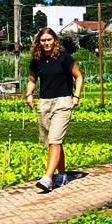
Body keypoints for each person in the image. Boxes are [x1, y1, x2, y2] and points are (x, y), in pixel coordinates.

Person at [26, 27, 83, 192]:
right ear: (39, 42)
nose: (46, 43)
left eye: (49, 40)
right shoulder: (36, 60)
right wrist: (29, 94)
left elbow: (78, 77)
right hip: (44, 103)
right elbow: (32, 80)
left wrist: (76, 96)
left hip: (62, 102)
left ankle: (48, 178)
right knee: (53, 142)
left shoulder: (64, 58)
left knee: (54, 140)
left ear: (55, 41)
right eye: (42, 40)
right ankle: (62, 174)